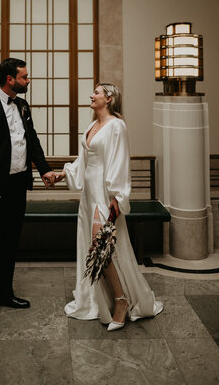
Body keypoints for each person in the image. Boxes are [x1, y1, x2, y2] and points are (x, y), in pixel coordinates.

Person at [55, 83, 163, 330]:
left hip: (105, 192)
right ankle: (105, 297)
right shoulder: (92, 126)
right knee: (98, 246)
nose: (92, 95)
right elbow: (82, 162)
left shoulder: (117, 126)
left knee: (100, 244)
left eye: (97, 92)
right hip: (89, 193)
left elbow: (120, 161)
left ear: (110, 98)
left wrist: (117, 196)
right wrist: (61, 175)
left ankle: (121, 301)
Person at [0, 58, 56, 336]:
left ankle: (3, 293)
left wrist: (45, 171)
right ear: (9, 79)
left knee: (10, 243)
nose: (28, 81)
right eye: (24, 77)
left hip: (18, 185)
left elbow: (32, 140)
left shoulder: (23, 106)